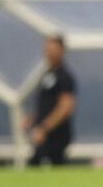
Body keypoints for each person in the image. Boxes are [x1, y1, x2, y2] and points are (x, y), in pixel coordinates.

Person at [25, 35, 77, 166]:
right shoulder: (46, 74)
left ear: (62, 50)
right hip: (42, 134)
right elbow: (46, 102)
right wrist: (33, 118)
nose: (49, 52)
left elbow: (66, 106)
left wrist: (45, 128)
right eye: (47, 48)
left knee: (55, 167)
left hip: (56, 135)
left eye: (53, 49)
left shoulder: (64, 76)